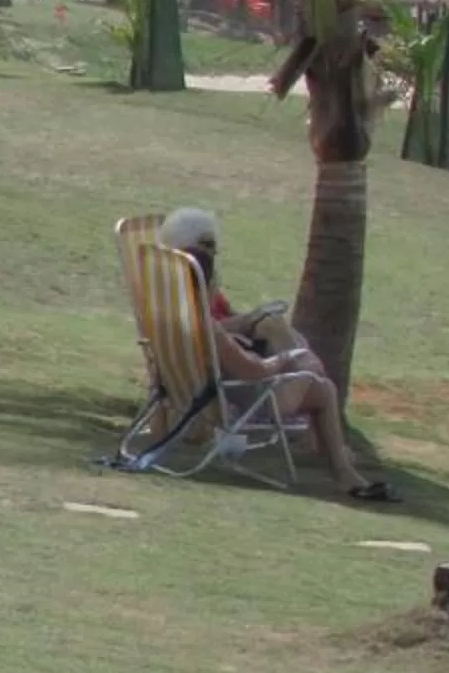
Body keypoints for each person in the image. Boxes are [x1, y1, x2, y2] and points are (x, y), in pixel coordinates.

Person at [155, 207, 392, 501]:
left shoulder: (166, 313)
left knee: (312, 375)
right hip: (244, 402)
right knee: (319, 382)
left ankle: (342, 469)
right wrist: (287, 359)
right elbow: (254, 371)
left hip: (202, 391)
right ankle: (342, 471)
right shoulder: (209, 330)